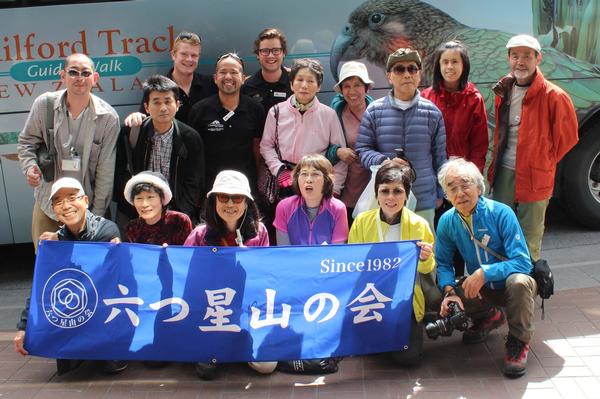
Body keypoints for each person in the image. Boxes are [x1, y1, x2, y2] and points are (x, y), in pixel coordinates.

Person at [13, 177, 126, 375]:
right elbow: (41, 285)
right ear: (53, 210)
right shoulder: (54, 244)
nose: (65, 205)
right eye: (58, 201)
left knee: (109, 364)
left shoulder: (106, 229)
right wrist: (24, 327)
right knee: (66, 366)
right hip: (77, 305)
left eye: (71, 198)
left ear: (85, 201)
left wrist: (59, 238)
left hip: (107, 309)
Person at [435, 158, 536, 377]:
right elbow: (442, 264)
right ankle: (489, 316)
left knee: (518, 282)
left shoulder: (501, 213)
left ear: (479, 187)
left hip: (511, 285)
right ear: (446, 194)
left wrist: (485, 272)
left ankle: (519, 342)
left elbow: (523, 262)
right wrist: (449, 292)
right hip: (483, 289)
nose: (460, 193)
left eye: (465, 185)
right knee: (441, 298)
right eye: (452, 188)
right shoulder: (447, 221)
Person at [488, 34, 578, 262]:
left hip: (536, 174)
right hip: (504, 170)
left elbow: (568, 138)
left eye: (527, 56)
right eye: (515, 56)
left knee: (530, 235)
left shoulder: (554, 96)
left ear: (538, 59)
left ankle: (526, 286)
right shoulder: (504, 89)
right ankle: (501, 284)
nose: (521, 61)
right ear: (508, 59)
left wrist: (544, 160)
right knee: (500, 228)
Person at [17, 53, 120, 250]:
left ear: (94, 78)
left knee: (89, 268)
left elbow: (106, 172)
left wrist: (94, 219)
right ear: (62, 76)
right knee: (49, 263)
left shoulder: (108, 118)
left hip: (86, 207)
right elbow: (26, 142)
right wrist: (30, 167)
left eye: (85, 73)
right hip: (49, 204)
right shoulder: (44, 105)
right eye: (73, 72)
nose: (79, 78)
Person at [183, 170, 275, 379]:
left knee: (267, 366)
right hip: (211, 310)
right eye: (223, 197)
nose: (230, 204)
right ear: (214, 201)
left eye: (237, 198)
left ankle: (237, 345)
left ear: (247, 203)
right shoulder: (200, 235)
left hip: (246, 309)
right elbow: (186, 277)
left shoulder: (259, 231)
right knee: (207, 371)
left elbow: (265, 274)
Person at [348, 163, 434, 366]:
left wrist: (424, 258)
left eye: (397, 191)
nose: (391, 197)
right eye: (384, 191)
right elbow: (352, 264)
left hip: (404, 299)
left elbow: (427, 270)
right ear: (376, 195)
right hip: (369, 297)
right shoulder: (362, 222)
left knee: (408, 359)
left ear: (407, 195)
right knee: (367, 350)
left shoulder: (418, 224)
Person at [355, 48, 446, 230]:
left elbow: (440, 158)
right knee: (389, 255)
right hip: (387, 200)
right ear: (389, 76)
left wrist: (439, 194)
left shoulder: (432, 112)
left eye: (412, 69)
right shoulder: (374, 111)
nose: (406, 74)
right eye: (399, 69)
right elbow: (362, 150)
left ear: (419, 75)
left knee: (423, 254)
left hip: (423, 199)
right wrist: (384, 161)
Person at [274, 154, 347, 373]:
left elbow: (336, 256)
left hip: (326, 279)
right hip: (294, 278)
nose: (308, 180)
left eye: (315, 175)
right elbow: (284, 254)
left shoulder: (338, 208)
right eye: (303, 174)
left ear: (327, 180)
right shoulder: (285, 207)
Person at [115, 75, 205, 225]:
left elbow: (195, 181)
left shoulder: (190, 138)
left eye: (168, 101)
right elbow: (119, 170)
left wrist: (183, 213)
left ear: (177, 105)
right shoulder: (131, 132)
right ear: (146, 107)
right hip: (137, 212)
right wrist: (133, 203)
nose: (163, 108)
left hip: (174, 214)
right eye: (156, 102)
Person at [260, 59, 348, 198]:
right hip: (284, 182)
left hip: (316, 182)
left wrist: (334, 190)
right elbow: (266, 147)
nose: (304, 86)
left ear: (319, 86)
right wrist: (279, 170)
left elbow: (340, 156)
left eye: (311, 81)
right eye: (299, 80)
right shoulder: (276, 112)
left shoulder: (328, 115)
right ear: (291, 84)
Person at [189, 53, 265, 193]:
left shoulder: (255, 109)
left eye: (234, 72)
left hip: (246, 187)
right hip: (210, 188)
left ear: (243, 79)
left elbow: (258, 150)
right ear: (215, 78)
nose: (228, 77)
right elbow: (193, 154)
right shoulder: (200, 110)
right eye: (223, 72)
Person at [421, 41, 488, 173]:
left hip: (461, 174)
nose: (450, 66)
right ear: (438, 66)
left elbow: (479, 145)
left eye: (455, 62)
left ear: (464, 65)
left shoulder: (474, 99)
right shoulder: (426, 97)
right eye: (445, 62)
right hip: (432, 171)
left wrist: (473, 175)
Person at [124, 31, 217, 126]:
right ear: (173, 55)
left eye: (194, 55)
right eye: (184, 54)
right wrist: (136, 116)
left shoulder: (211, 83)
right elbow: (145, 117)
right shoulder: (156, 87)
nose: (189, 59)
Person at [328, 61, 374, 224]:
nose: (352, 91)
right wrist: (337, 152)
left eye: (357, 85)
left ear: (366, 87)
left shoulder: (377, 111)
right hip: (346, 190)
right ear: (341, 90)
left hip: (373, 188)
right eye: (346, 86)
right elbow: (321, 147)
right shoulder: (335, 114)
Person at [123, 171, 192, 245]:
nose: (144, 204)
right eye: (139, 198)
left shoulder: (179, 221)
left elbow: (187, 252)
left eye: (150, 197)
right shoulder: (132, 228)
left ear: (162, 199)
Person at [242, 27, 292, 114]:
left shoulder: (295, 83)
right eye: (265, 51)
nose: (270, 56)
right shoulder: (247, 86)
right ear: (258, 54)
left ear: (283, 53)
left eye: (276, 50)